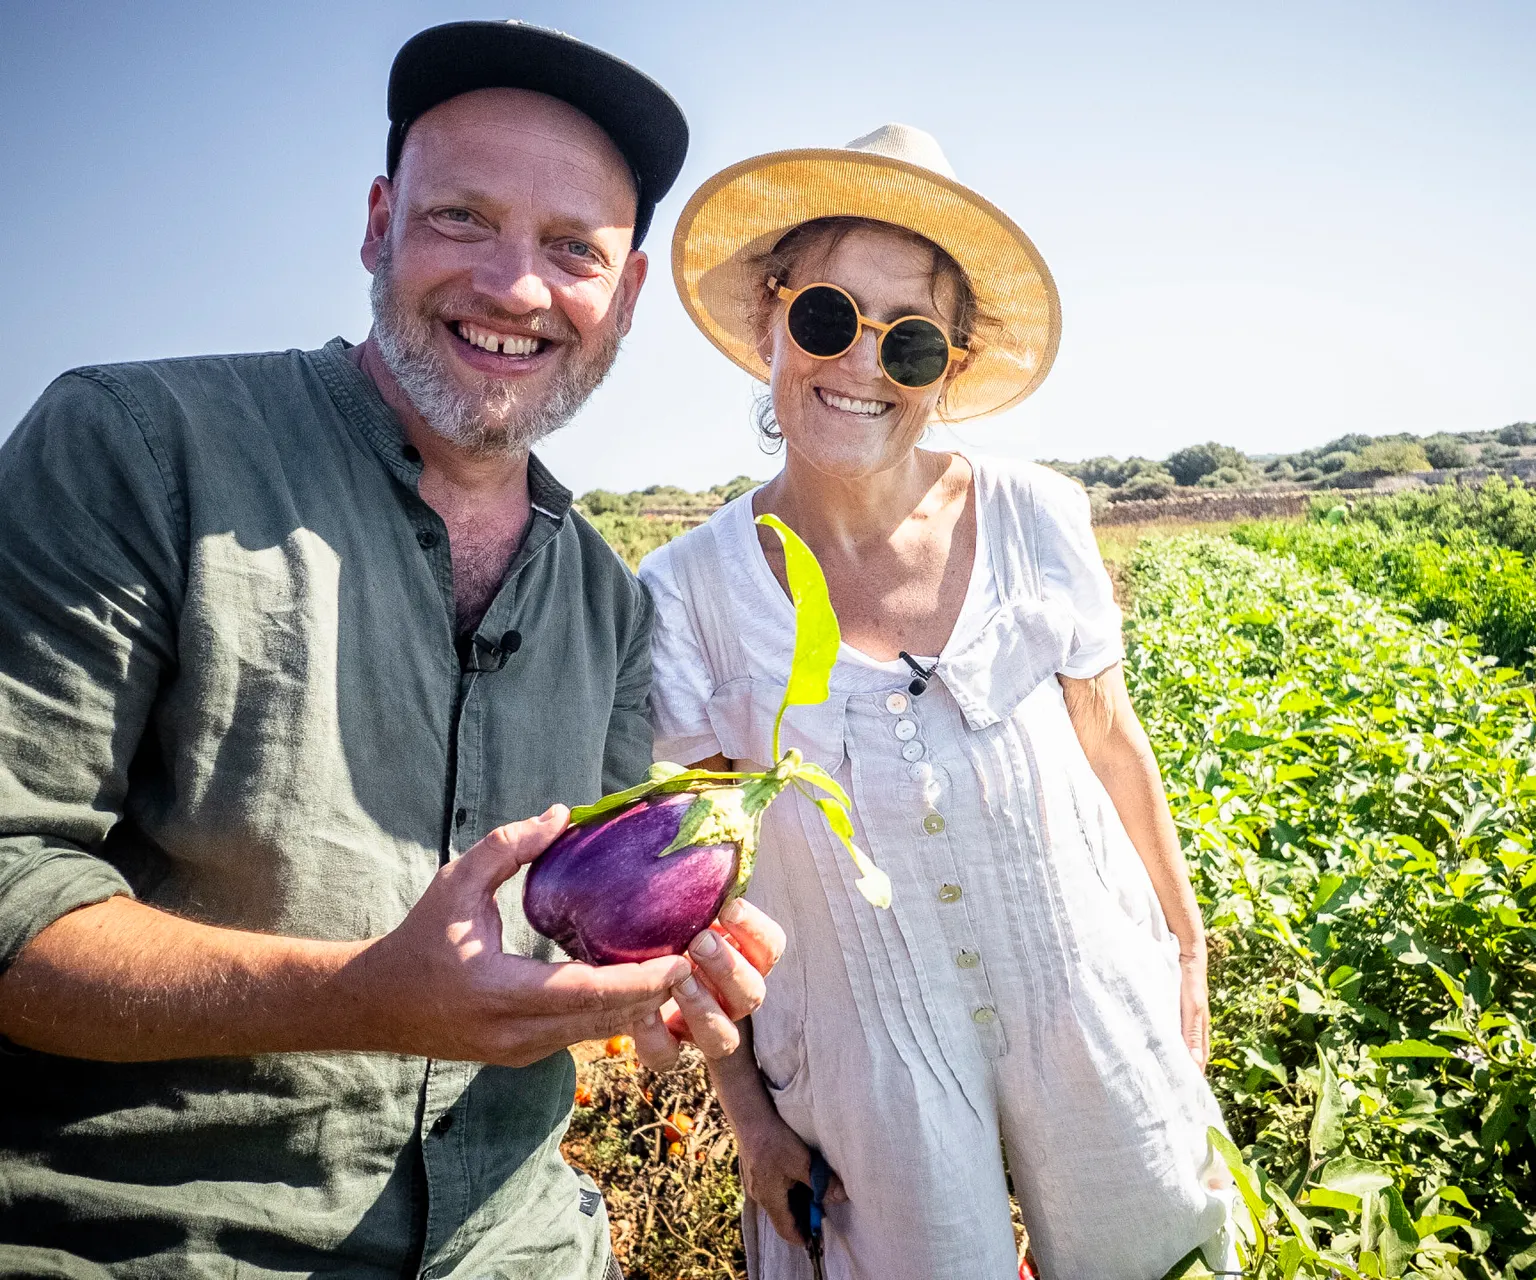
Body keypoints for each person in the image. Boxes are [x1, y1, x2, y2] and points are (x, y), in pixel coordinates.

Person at [0, 22, 781, 1279]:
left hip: (521, 1247)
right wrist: (358, 992)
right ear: (378, 224)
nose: (517, 289)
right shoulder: (137, 447)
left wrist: (668, 981)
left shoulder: (608, 605)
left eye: (574, 248)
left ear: (625, 294)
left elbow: (579, 936)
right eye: (463, 218)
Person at [642, 124, 1235, 1280]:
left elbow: (1113, 744)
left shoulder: (1037, 515)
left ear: (949, 370)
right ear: (770, 318)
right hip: (858, 1068)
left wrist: (1188, 944)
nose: (862, 366)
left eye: (910, 342)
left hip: (1094, 1005)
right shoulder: (690, 595)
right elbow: (694, 890)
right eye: (826, 317)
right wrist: (750, 1118)